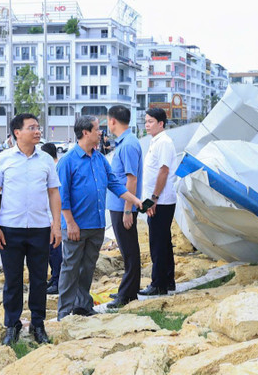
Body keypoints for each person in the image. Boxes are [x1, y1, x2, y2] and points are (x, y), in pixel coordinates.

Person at [56, 116, 142, 319]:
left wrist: (135, 200)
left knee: (88, 267)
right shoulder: (68, 161)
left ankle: (83, 306)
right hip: (75, 226)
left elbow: (115, 184)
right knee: (70, 268)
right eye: (97, 129)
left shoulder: (100, 159)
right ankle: (64, 312)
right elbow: (62, 196)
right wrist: (70, 223)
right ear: (85, 132)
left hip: (96, 225)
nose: (100, 133)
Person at [0, 113, 61, 345]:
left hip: (40, 228)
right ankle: (12, 324)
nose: (37, 131)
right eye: (32, 128)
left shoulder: (46, 160)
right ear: (17, 132)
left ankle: (38, 324)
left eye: (38, 127)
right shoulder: (3, 159)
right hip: (10, 229)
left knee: (39, 279)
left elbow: (53, 193)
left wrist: (56, 225)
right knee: (13, 280)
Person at [105, 106, 144, 309]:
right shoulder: (125, 143)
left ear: (113, 121)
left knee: (129, 250)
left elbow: (132, 179)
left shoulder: (128, 145)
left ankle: (128, 294)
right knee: (127, 249)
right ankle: (128, 290)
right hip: (119, 205)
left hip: (123, 206)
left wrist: (128, 209)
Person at [139, 108, 177, 296]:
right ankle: (168, 280)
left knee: (158, 243)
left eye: (151, 121)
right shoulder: (156, 141)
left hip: (159, 200)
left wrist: (153, 198)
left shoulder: (164, 142)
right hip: (155, 199)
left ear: (161, 123)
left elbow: (163, 171)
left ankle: (158, 284)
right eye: (146, 121)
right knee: (163, 241)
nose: (147, 125)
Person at [40, 142, 61, 295]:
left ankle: (57, 280)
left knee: (55, 250)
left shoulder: (56, 168)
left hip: (54, 216)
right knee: (50, 250)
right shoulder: (53, 166)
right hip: (47, 215)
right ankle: (54, 278)